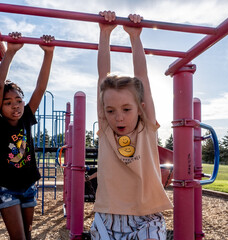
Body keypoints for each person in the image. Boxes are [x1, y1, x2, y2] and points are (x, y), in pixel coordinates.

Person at [91, 11, 173, 239]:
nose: (118, 117)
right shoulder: (106, 129)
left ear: (141, 107)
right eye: (110, 111)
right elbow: (101, 78)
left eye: (127, 109)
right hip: (108, 218)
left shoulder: (146, 128)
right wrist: (104, 34)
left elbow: (142, 78)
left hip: (146, 218)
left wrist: (135, 38)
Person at [0, 32, 55, 240]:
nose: (15, 105)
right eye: (7, 102)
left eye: (18, 100)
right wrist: (11, 51)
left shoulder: (26, 119)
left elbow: (40, 88)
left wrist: (48, 54)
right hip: (7, 189)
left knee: (28, 237)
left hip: (29, 186)